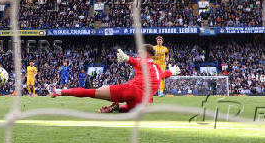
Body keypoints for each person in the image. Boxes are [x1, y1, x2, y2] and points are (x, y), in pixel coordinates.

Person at [48, 44, 180, 113]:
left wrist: (127, 58)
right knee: (128, 109)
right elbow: (162, 75)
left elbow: (136, 62)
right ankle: (114, 107)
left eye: (140, 51)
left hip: (131, 90)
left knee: (92, 92)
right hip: (142, 102)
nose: (138, 53)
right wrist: (171, 71)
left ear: (145, 53)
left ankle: (58, 91)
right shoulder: (156, 67)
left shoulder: (142, 60)